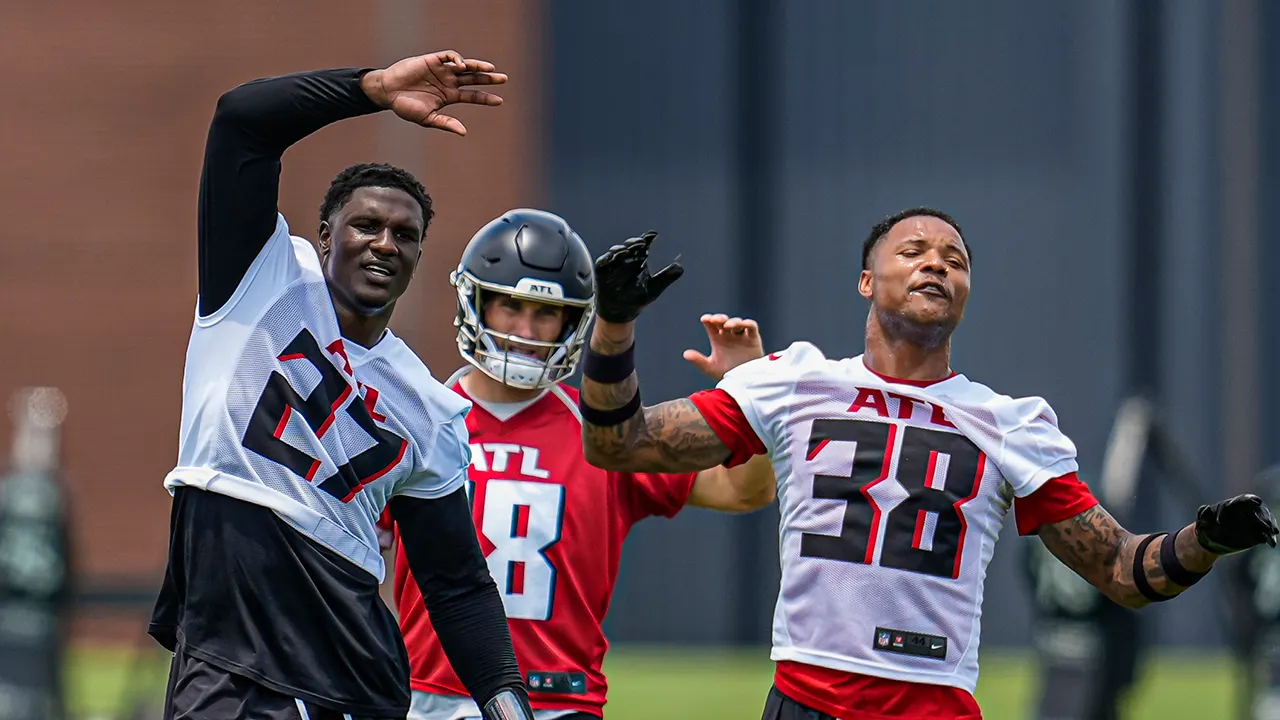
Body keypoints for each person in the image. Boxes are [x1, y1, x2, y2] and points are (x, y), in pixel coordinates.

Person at [573, 213, 1280, 720]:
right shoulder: (792, 381)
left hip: (934, 704)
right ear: (865, 280)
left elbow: (1123, 571)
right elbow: (619, 444)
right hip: (807, 699)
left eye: (955, 259)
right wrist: (614, 323)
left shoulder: (1009, 422)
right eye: (913, 250)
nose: (936, 264)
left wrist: (1205, 540)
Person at [148, 51, 539, 720]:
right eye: (367, 225)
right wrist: (374, 88)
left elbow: (456, 584)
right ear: (325, 237)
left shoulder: (430, 408)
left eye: (405, 235)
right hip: (230, 662)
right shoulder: (259, 279)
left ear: (419, 257)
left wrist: (508, 707)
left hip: (352, 676)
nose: (385, 243)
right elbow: (242, 120)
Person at [377, 208, 775, 719]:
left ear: (574, 322)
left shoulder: (606, 435)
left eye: (546, 313)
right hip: (431, 696)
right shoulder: (419, 419)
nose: (526, 329)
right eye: (510, 306)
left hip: (560, 701)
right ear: (475, 302)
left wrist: (749, 397)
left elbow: (744, 490)